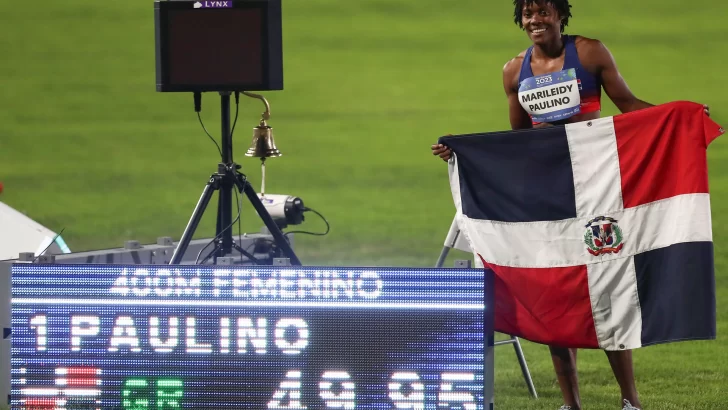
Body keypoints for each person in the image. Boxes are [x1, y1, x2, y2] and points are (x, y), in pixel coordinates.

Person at [431, 1, 711, 409]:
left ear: (560, 16)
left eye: (543, 12)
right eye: (527, 15)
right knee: (555, 295)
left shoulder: (591, 53)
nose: (535, 21)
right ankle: (571, 404)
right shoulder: (514, 70)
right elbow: (519, 141)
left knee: (609, 287)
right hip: (549, 192)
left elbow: (629, 106)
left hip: (599, 186)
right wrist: (462, 152)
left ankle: (630, 401)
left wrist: (680, 118)